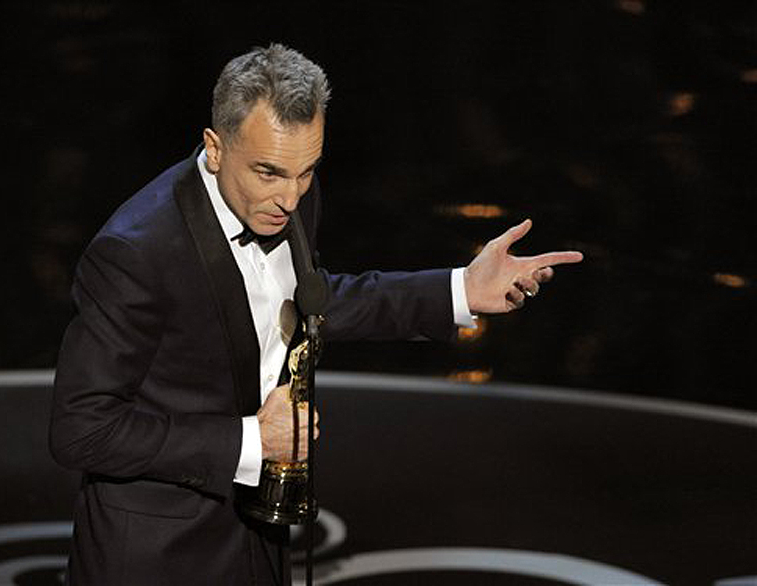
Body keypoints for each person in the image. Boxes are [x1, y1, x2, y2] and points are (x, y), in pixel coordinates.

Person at [49, 43, 583, 585]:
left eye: (306, 172)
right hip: (154, 557)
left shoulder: (295, 195)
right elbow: (81, 427)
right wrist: (253, 442)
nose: (289, 197)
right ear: (214, 147)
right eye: (269, 173)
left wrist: (460, 289)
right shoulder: (137, 251)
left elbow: (307, 300)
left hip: (259, 537)